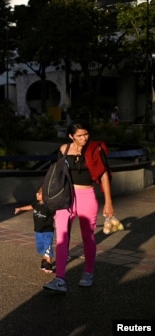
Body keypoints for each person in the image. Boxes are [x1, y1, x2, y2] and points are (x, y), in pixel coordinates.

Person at [43, 122, 113, 293]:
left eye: (86, 134)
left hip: (86, 197)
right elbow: (56, 174)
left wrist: (108, 202)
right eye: (80, 135)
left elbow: (104, 175)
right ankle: (60, 279)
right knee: (61, 238)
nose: (84, 138)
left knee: (88, 237)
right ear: (71, 136)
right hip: (66, 197)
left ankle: (88, 273)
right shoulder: (63, 149)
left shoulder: (95, 149)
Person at [15, 187, 55, 273]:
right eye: (37, 192)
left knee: (48, 247)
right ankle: (44, 262)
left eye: (39, 193)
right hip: (38, 231)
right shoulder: (36, 203)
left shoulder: (49, 206)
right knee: (41, 248)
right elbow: (30, 206)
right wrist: (20, 208)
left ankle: (48, 264)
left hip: (47, 231)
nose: (37, 194)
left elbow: (56, 215)